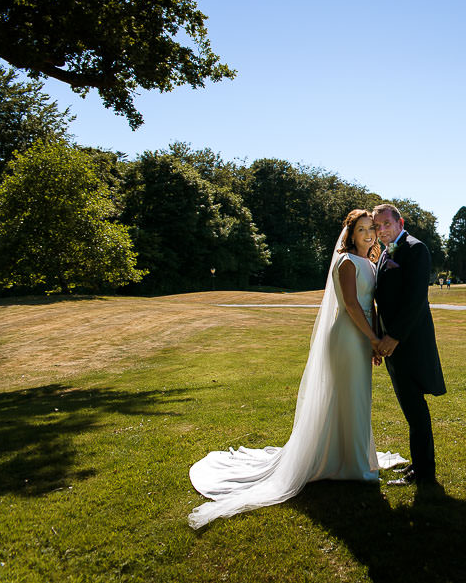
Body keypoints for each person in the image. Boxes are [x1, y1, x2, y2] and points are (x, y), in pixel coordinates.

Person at [187, 209, 404, 529]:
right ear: (351, 234)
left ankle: (351, 458)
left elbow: (370, 305)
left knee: (357, 399)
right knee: (350, 397)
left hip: (362, 340)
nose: (369, 233)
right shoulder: (346, 263)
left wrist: (372, 342)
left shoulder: (370, 262)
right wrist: (373, 338)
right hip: (346, 338)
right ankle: (353, 465)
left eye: (371, 228)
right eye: (362, 229)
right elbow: (352, 305)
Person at [372, 203, 446, 487]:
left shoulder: (416, 249)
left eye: (386, 224)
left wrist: (393, 338)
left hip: (410, 343)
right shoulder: (384, 252)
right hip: (392, 344)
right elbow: (385, 300)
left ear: (399, 222)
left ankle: (425, 472)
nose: (381, 231)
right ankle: (420, 466)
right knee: (411, 408)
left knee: (415, 409)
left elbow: (416, 299)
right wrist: (379, 337)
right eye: (377, 227)